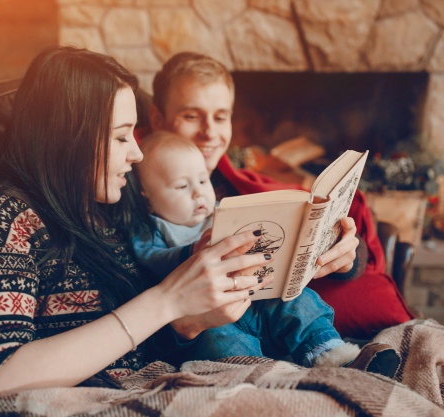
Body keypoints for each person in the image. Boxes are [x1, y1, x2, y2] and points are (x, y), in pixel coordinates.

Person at [0, 45, 276, 397]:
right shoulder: (0, 216)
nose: (136, 154)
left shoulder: (114, 201)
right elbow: (0, 376)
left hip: (164, 381)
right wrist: (167, 300)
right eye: (122, 137)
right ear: (67, 137)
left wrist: (188, 323)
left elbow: (138, 348)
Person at [143, 51, 415, 340]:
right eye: (191, 116)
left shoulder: (236, 184)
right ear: (158, 119)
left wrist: (345, 251)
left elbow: (311, 235)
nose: (210, 133)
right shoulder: (138, 190)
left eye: (221, 117)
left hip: (273, 317)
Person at [131, 130, 371, 369]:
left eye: (204, 180)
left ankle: (331, 353)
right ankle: (259, 374)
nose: (198, 193)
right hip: (208, 315)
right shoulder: (150, 228)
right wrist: (191, 252)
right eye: (182, 186)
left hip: (261, 294)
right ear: (148, 199)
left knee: (300, 302)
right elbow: (149, 258)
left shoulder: (225, 210)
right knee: (219, 342)